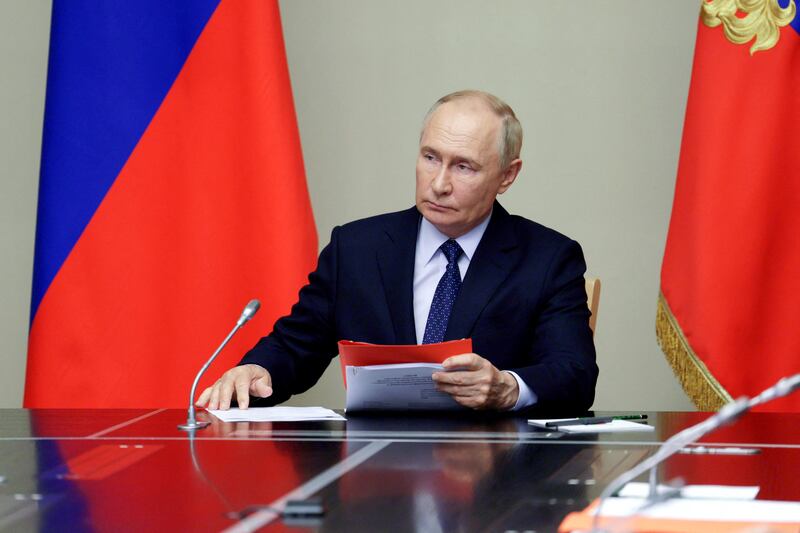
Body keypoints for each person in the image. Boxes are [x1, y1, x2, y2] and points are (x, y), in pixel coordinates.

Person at [197, 90, 597, 413]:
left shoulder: (547, 258)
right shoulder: (356, 249)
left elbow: (574, 373)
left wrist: (508, 388)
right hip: (372, 477)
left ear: (507, 175)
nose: (438, 183)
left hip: (494, 475)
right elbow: (295, 346)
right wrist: (256, 368)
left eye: (464, 167)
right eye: (430, 158)